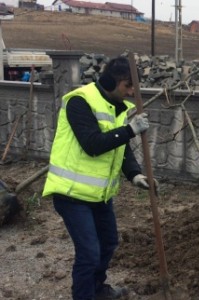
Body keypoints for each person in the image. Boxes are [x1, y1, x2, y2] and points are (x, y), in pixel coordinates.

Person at [42, 56, 155, 300]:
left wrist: (134, 174)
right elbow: (92, 144)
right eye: (128, 85)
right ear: (108, 82)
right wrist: (130, 130)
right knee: (89, 253)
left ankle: (97, 289)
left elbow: (120, 147)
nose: (132, 91)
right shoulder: (79, 102)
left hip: (99, 195)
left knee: (108, 244)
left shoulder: (117, 108)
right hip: (71, 194)